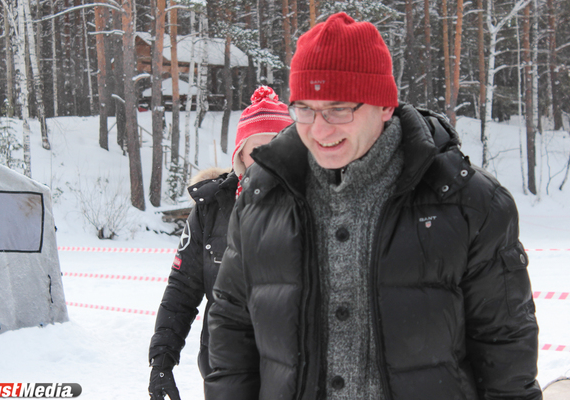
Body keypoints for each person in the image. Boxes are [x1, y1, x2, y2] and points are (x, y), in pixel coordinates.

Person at [205, 12, 542, 400]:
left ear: (384, 105)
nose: (319, 129)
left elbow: (505, 350)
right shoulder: (260, 198)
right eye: (305, 109)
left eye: (339, 108)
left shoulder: (470, 203)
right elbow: (232, 332)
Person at [147, 86, 293, 400]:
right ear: (240, 155)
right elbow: (182, 288)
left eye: (278, 149)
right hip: (224, 373)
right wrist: (162, 361)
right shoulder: (212, 209)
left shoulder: (310, 208)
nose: (267, 162)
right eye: (257, 151)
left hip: (293, 374)